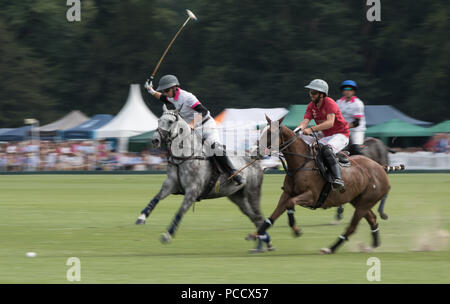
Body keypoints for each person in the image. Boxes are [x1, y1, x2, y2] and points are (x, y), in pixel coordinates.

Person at [144, 75, 243, 185]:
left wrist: (191, 124)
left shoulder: (187, 97)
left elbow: (203, 111)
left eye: (166, 90)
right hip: (193, 129)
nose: (165, 93)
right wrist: (150, 90)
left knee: (215, 148)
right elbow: (163, 97)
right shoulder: (172, 96)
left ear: (175, 88)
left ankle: (234, 173)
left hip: (206, 126)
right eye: (164, 90)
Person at [296, 79, 349, 191]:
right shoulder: (311, 106)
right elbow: (305, 121)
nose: (311, 95)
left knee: (326, 149)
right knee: (305, 146)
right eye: (310, 92)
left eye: (314, 92)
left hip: (341, 134)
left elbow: (330, 123)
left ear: (322, 94)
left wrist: (311, 129)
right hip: (326, 136)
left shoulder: (330, 103)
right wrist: (298, 130)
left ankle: (338, 179)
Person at [336, 80, 366, 155]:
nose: (347, 92)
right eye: (345, 90)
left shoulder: (358, 103)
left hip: (356, 130)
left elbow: (357, 123)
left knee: (356, 149)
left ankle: (364, 164)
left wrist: (342, 127)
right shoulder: (338, 102)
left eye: (350, 90)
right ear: (342, 91)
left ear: (353, 91)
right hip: (341, 129)